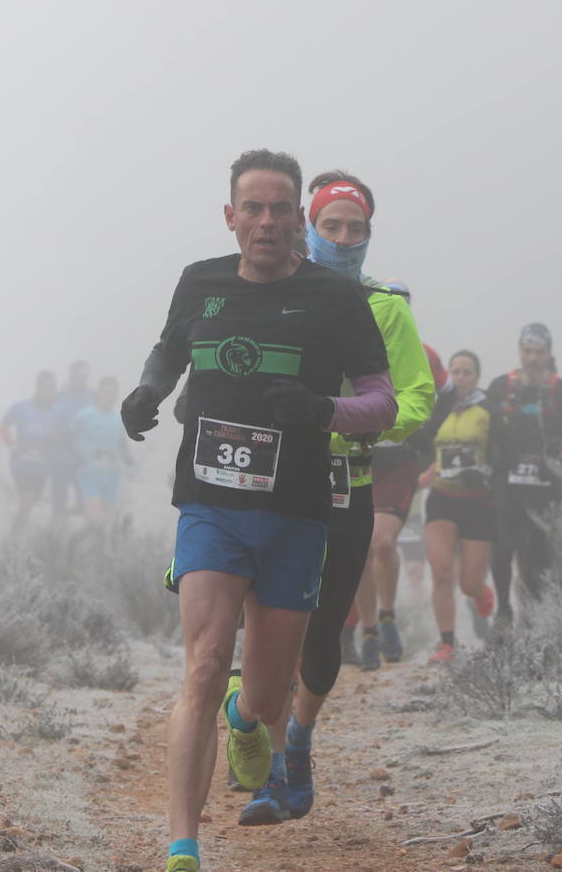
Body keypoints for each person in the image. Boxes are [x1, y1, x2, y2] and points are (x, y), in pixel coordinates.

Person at [120, 149, 395, 872]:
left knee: (267, 694)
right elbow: (167, 353)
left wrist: (322, 411)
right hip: (209, 505)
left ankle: (248, 718)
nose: (266, 222)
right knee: (205, 666)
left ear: (296, 217)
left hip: (297, 513)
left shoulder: (337, 300)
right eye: (254, 208)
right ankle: (183, 845)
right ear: (231, 216)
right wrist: (147, 391)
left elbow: (383, 400)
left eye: (280, 209)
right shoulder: (199, 282)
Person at [235, 171, 433, 825]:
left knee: (324, 634)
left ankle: (298, 742)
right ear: (306, 227)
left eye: (357, 229)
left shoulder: (385, 307)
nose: (344, 238)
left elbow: (416, 398)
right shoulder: (273, 290)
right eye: (332, 226)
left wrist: (346, 414)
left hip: (347, 477)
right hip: (271, 476)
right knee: (265, 620)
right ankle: (261, 755)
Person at [349, 282, 449, 669]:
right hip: (359, 456)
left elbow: (449, 394)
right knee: (358, 551)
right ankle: (370, 629)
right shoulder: (354, 342)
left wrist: (424, 441)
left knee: (383, 543)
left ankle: (388, 616)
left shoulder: (423, 353)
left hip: (400, 464)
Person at [486, 323, 562, 624]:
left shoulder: (561, 390)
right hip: (507, 480)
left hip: (547, 483)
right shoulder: (500, 386)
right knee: (503, 544)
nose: (532, 358)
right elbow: (485, 431)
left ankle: (534, 615)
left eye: (539, 352)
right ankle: (503, 611)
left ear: (548, 354)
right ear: (519, 351)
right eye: (527, 351)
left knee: (538, 552)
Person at [410, 350, 495, 662]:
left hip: (478, 502)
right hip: (442, 499)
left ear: (477, 377)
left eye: (467, 372)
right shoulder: (436, 408)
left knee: (468, 583)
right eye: (455, 371)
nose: (460, 377)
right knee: (441, 571)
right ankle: (447, 644)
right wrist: (419, 474)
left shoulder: (489, 409)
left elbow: (502, 450)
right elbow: (423, 448)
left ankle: (480, 592)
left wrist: (486, 473)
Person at [0, 371, 63, 526]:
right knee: (27, 502)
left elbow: (61, 437)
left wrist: (56, 437)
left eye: (53, 387)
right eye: (47, 386)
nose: (50, 390)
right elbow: (3, 426)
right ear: (38, 386)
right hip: (21, 464)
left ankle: (16, 527)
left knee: (31, 503)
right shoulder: (21, 407)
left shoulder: (58, 412)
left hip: (42, 466)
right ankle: (15, 535)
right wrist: (12, 444)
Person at [70, 375, 131, 522]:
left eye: (113, 392)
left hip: (111, 476)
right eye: (107, 392)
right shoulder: (84, 416)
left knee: (109, 523)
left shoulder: (119, 418)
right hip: (89, 475)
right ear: (99, 392)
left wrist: (131, 462)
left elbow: (122, 444)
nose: (110, 396)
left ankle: (98, 544)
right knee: (96, 521)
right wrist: (75, 460)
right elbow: (69, 439)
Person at [53, 360, 95, 517]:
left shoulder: (93, 395)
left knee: (85, 487)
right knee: (60, 484)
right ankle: (58, 519)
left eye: (85, 376)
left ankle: (86, 521)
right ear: (71, 376)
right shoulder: (59, 396)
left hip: (86, 449)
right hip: (63, 447)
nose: (82, 379)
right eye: (79, 375)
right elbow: (52, 420)